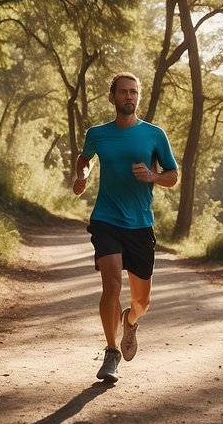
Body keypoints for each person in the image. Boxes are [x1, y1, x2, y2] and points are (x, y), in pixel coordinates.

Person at [71, 72, 178, 383]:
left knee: (142, 302)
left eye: (134, 92)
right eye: (123, 92)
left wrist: (153, 177)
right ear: (112, 96)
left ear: (138, 97)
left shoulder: (155, 135)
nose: (129, 97)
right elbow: (84, 158)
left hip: (141, 225)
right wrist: (84, 175)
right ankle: (110, 351)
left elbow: (172, 175)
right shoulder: (98, 133)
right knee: (112, 287)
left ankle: (130, 321)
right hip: (106, 219)